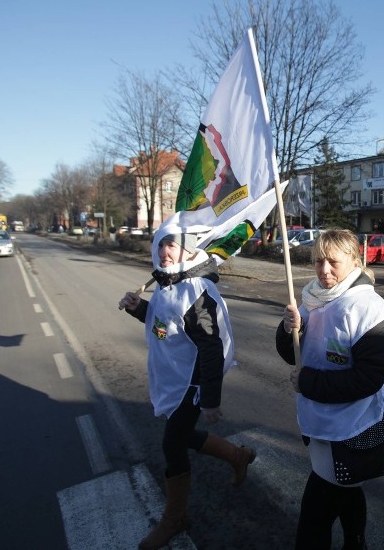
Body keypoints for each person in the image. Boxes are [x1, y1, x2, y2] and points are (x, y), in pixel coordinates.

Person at [118, 223, 256, 550]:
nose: (166, 252)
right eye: (162, 245)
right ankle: (238, 456)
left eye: (173, 246)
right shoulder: (169, 285)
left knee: (172, 444)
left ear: (189, 251)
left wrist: (209, 399)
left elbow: (211, 347)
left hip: (190, 384)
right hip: (172, 377)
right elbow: (166, 329)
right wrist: (140, 309)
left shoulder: (196, 291)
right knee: (181, 435)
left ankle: (175, 517)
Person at [276, 228, 384, 550]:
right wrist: (287, 330)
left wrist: (308, 383)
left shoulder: (370, 310)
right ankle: (356, 541)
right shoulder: (312, 297)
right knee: (347, 487)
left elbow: (367, 380)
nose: (324, 270)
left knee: (316, 511)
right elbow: (293, 353)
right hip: (320, 418)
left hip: (350, 424)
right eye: (318, 262)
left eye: (333, 262)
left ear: (354, 261)